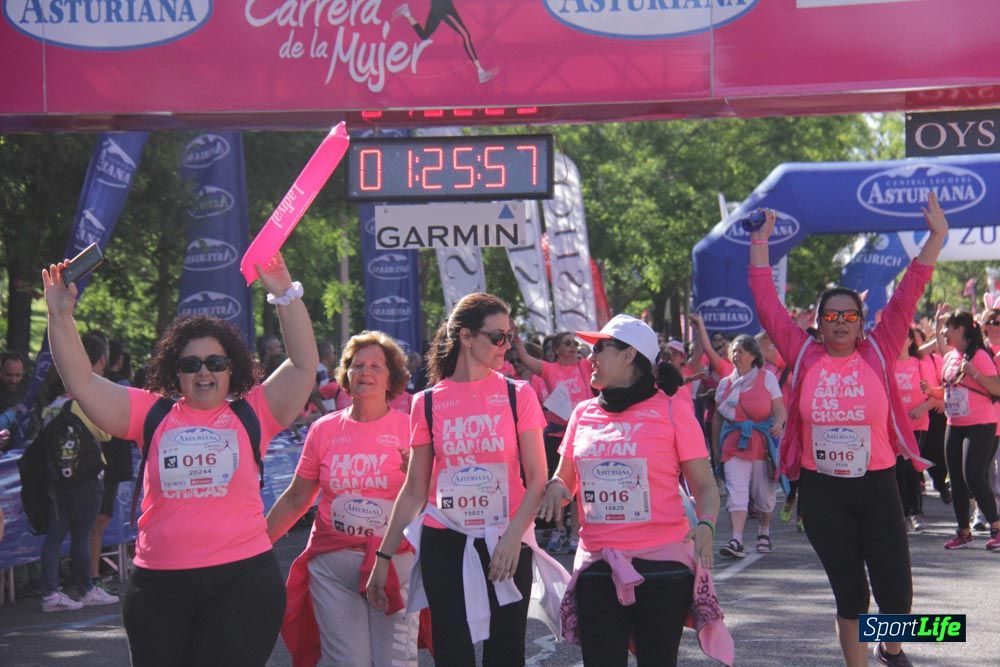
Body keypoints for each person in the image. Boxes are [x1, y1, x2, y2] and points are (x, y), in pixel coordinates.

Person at [42, 251, 317, 665]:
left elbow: (302, 364)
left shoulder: (254, 411)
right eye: (190, 364)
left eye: (215, 362)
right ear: (176, 370)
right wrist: (60, 316)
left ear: (231, 369)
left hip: (242, 582)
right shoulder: (149, 413)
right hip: (158, 588)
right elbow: (81, 382)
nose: (203, 372)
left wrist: (283, 293)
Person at [749, 195, 946, 667]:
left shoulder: (880, 349)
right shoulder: (804, 354)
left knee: (896, 594)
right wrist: (759, 245)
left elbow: (907, 292)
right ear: (817, 324)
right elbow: (767, 305)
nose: (840, 324)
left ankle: (890, 647)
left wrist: (935, 238)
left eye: (849, 316)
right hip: (823, 493)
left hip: (878, 486)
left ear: (861, 322)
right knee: (850, 594)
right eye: (831, 317)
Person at [365, 293, 567, 667]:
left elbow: (538, 478)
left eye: (509, 336)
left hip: (507, 539)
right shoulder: (426, 402)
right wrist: (383, 558)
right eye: (498, 337)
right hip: (446, 543)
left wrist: (511, 539)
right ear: (467, 337)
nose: (506, 345)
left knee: (505, 654)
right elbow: (413, 490)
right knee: (453, 653)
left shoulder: (516, 394)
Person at [539, 314, 730, 667]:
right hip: (598, 562)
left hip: (664, 563)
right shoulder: (582, 413)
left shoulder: (673, 408)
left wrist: (706, 524)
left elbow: (704, 485)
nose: (589, 358)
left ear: (629, 356)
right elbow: (565, 481)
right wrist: (555, 488)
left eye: (599, 349)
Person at [266, 331, 418, 667]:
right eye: (357, 364)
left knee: (395, 662)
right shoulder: (323, 429)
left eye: (376, 366)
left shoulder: (411, 428)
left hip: (394, 563)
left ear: (391, 377)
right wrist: (254, 547)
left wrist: (418, 477)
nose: (365, 371)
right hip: (332, 567)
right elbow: (296, 499)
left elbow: (428, 500)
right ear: (345, 374)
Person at [39, 333, 120, 612]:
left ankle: (50, 594)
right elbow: (106, 433)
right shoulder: (84, 403)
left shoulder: (52, 406)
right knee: (82, 534)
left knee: (54, 536)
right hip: (86, 479)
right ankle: (85, 589)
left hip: (56, 480)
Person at [513, 330, 593, 552]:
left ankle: (576, 533)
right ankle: (559, 530)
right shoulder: (550, 370)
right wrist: (517, 340)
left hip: (584, 434)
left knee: (581, 487)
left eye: (574, 343)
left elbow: (600, 356)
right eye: (567, 343)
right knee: (558, 484)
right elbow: (528, 360)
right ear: (557, 350)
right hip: (558, 436)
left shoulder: (584, 367)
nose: (573, 347)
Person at [711, 335, 785, 558]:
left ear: (753, 356)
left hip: (762, 444)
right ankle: (736, 539)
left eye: (741, 351)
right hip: (734, 444)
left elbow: (779, 409)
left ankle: (764, 532)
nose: (736, 355)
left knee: (764, 495)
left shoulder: (767, 378)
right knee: (737, 492)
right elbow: (717, 419)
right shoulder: (725, 385)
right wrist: (715, 450)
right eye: (734, 350)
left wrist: (779, 424)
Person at [933, 309, 1000, 550]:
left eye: (947, 329)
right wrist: (931, 394)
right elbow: (949, 389)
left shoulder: (980, 355)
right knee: (956, 480)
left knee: (973, 475)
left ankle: (996, 527)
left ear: (960, 330)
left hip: (980, 424)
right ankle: (963, 531)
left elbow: (997, 388)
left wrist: (976, 373)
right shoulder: (951, 356)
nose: (943, 333)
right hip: (954, 423)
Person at [391, 1, 499, 83]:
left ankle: (406, 13)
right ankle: (480, 72)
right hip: (444, 7)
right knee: (466, 35)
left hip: (439, 6)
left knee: (424, 35)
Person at [895, 327, 936, 532]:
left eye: (903, 336)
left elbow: (936, 394)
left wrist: (922, 407)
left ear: (911, 341)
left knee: (909, 468)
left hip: (917, 425)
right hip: (894, 428)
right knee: (897, 470)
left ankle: (915, 513)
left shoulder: (919, 363)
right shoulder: (888, 365)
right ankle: (901, 513)